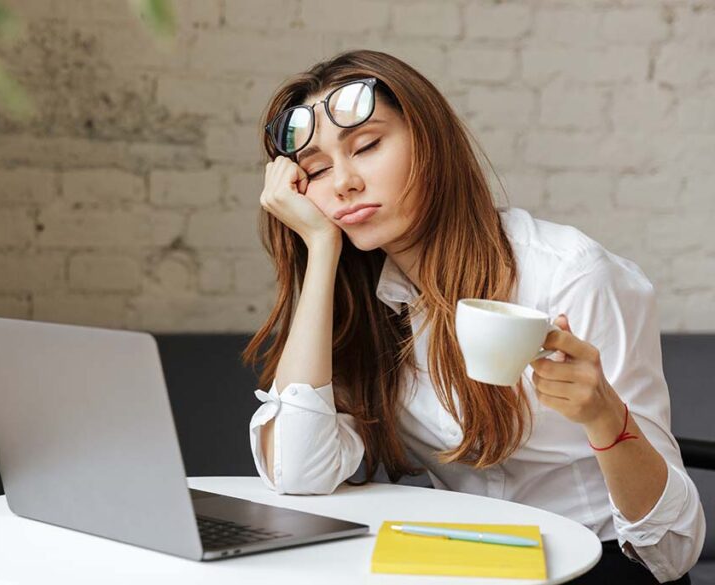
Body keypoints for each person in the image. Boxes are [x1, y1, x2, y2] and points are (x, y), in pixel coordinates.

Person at [242, 49, 704, 584]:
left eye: (366, 146)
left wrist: (605, 416)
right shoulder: (362, 300)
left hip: (598, 563)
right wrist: (321, 250)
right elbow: (298, 473)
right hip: (467, 563)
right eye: (317, 170)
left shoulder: (573, 275)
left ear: (430, 142)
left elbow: (672, 551)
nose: (343, 182)